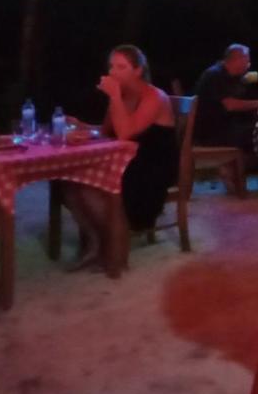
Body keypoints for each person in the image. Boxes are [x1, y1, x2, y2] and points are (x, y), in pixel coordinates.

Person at [64, 45, 177, 269]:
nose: (114, 72)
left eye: (121, 67)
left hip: (150, 169)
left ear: (137, 70)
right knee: (70, 182)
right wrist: (83, 127)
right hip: (125, 162)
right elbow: (108, 131)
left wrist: (114, 96)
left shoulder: (154, 96)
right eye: (112, 66)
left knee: (90, 187)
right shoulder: (121, 95)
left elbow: (125, 133)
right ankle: (96, 242)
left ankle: (114, 244)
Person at [193, 43, 258, 168]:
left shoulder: (234, 77)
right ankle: (248, 169)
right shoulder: (214, 75)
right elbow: (230, 105)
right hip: (212, 133)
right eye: (247, 59)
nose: (249, 63)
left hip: (226, 128)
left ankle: (239, 171)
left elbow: (257, 80)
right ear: (238, 59)